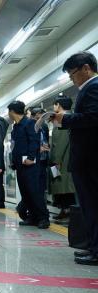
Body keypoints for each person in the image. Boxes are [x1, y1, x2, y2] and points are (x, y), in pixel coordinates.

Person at [51, 51, 98, 265]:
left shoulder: (94, 87)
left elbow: (93, 118)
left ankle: (96, 250)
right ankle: (93, 247)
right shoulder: (87, 89)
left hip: (90, 159)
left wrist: (66, 119)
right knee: (89, 205)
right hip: (86, 159)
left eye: (73, 73)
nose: (72, 78)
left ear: (86, 68)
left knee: (93, 205)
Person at [8, 101, 50, 229]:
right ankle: (32, 217)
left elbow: (34, 141)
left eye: (9, 111)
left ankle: (43, 218)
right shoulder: (16, 126)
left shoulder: (30, 123)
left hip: (30, 164)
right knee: (25, 192)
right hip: (20, 164)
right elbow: (15, 145)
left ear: (12, 111)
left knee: (34, 191)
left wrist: (31, 157)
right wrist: (14, 162)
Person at [49, 95, 76, 221]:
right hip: (68, 157)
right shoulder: (72, 117)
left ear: (58, 105)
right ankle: (65, 210)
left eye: (55, 104)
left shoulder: (62, 119)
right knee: (65, 186)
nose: (54, 107)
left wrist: (56, 160)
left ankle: (67, 211)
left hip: (63, 159)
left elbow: (60, 142)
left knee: (63, 186)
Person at [30, 107, 50, 203]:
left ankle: (41, 207)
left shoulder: (43, 127)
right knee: (34, 186)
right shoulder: (29, 127)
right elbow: (26, 145)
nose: (43, 119)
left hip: (43, 160)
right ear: (35, 116)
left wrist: (46, 146)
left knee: (41, 186)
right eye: (41, 117)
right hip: (34, 161)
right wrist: (39, 149)